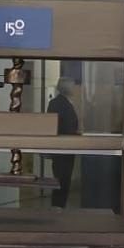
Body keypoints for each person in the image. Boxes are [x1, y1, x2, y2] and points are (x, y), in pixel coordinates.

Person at [46, 76, 80, 207]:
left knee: (63, 181)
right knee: (62, 181)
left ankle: (59, 207)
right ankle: (58, 208)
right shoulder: (58, 103)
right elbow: (53, 125)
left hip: (66, 148)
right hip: (62, 149)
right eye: (72, 85)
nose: (74, 88)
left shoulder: (64, 102)